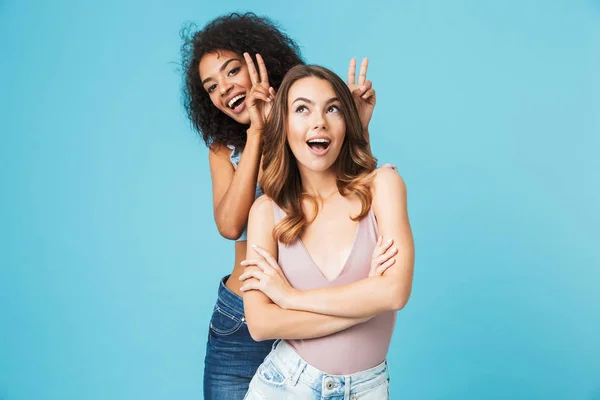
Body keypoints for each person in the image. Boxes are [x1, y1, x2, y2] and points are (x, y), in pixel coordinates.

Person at [180, 12, 377, 399]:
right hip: (240, 324)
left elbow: (353, 199)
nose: (224, 89)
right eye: (211, 87)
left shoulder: (306, 121)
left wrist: (360, 129)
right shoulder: (223, 150)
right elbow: (231, 225)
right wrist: (257, 132)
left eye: (232, 70)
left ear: (261, 61)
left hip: (307, 312)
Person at [239, 64, 414, 399]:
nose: (318, 121)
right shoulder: (266, 212)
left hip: (367, 389)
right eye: (302, 109)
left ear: (346, 122)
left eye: (332, 108)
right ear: (285, 124)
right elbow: (261, 324)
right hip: (285, 385)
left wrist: (290, 300)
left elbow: (395, 293)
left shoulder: (383, 186)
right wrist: (366, 301)